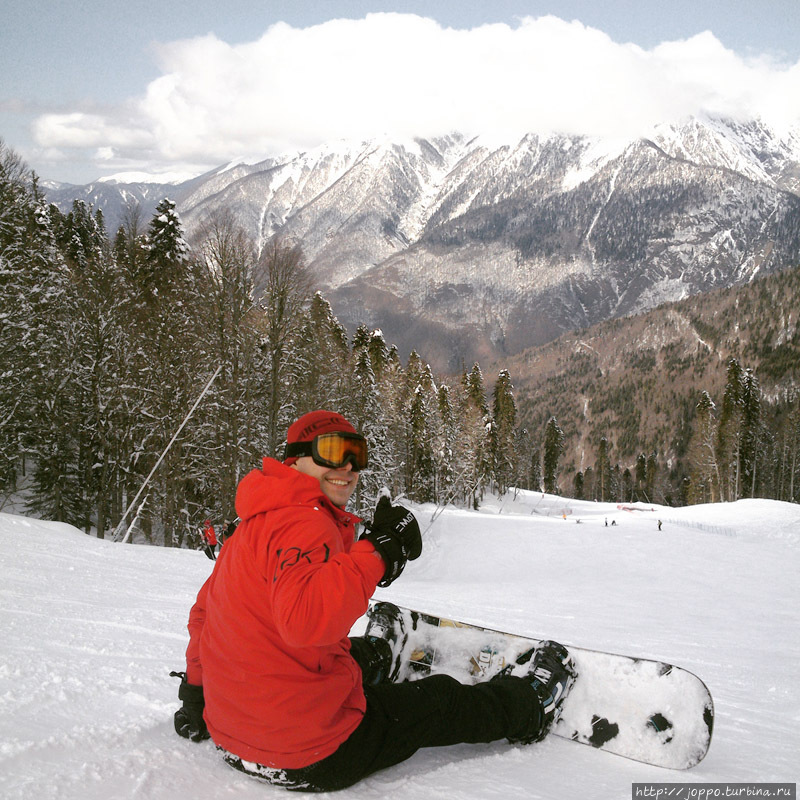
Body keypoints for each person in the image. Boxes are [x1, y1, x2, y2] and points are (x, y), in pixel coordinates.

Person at [173, 409, 576, 791]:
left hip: (233, 739)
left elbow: (204, 616)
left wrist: (196, 696)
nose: (347, 466)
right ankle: (530, 708)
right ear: (294, 461)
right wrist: (378, 552)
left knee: (346, 652)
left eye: (356, 453)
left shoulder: (253, 523)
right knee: (439, 701)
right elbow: (305, 621)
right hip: (308, 754)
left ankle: (379, 654)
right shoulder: (306, 523)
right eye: (331, 451)